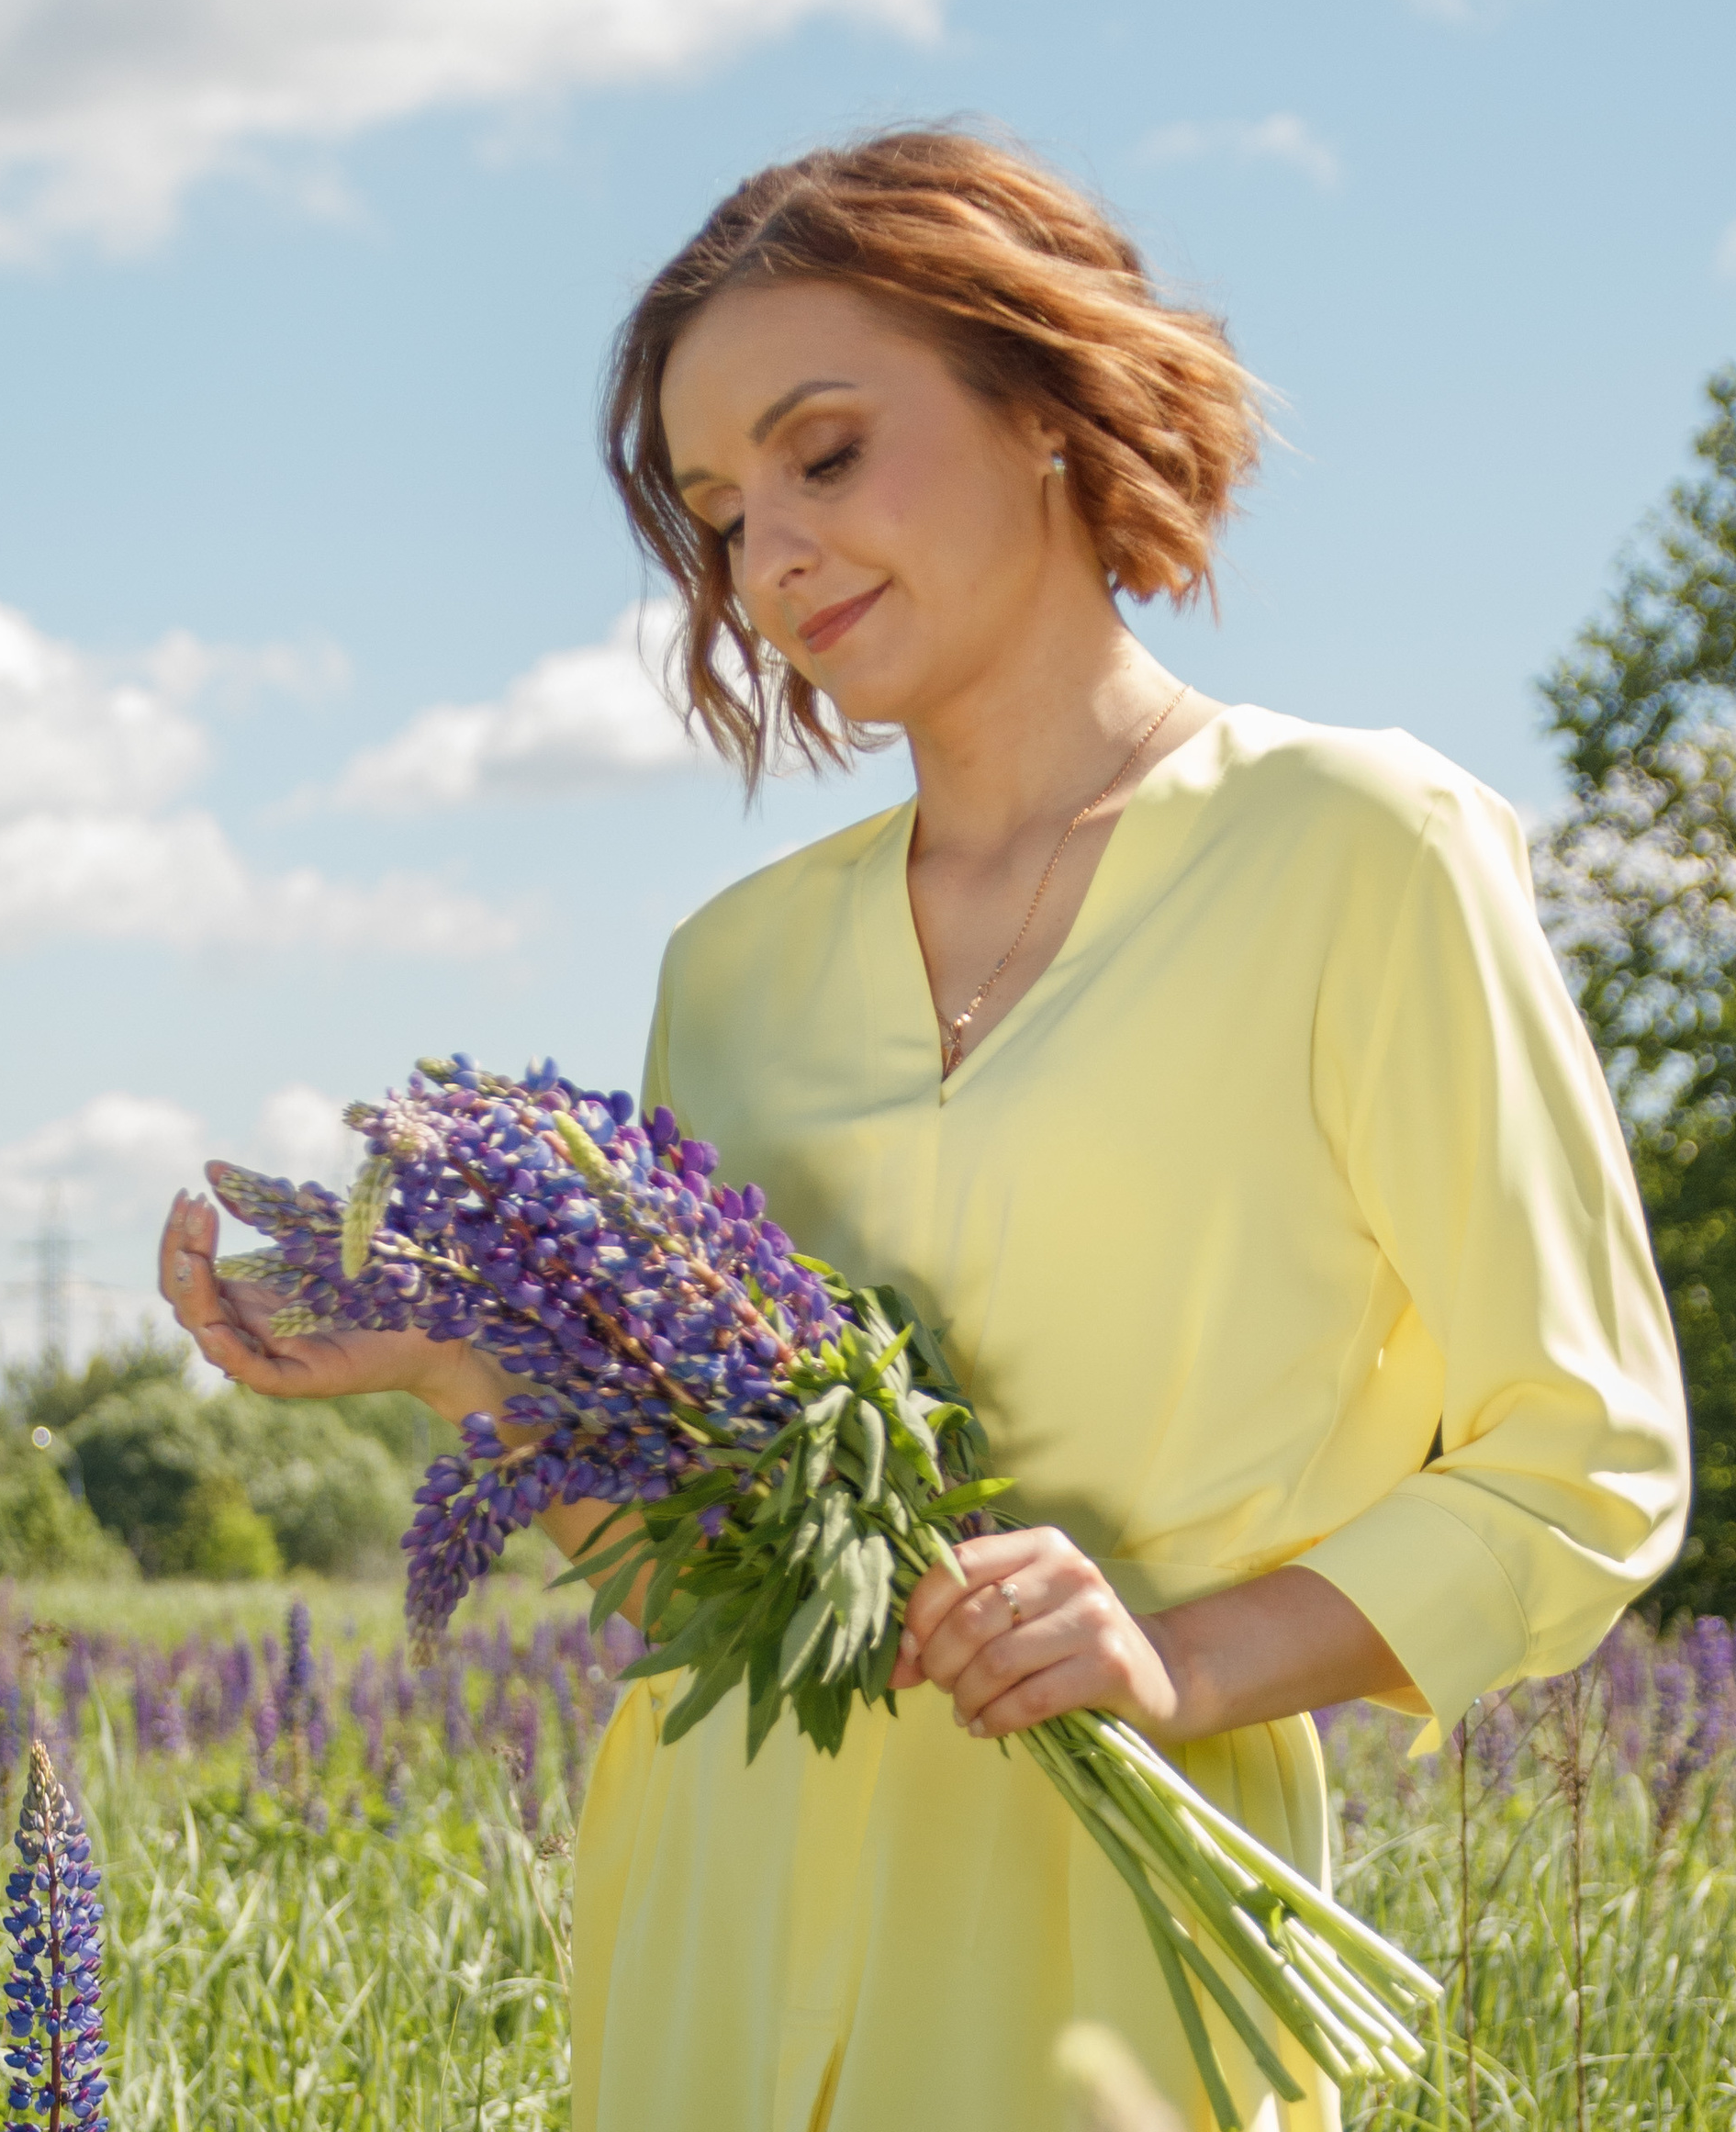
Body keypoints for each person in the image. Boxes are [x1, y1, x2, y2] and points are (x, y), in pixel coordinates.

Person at [159, 129, 1692, 2130]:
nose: (764, 555)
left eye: (819, 451)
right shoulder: (732, 968)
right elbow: (700, 1585)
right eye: (713, 512)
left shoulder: (1357, 851)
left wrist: (1176, 1652)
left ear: (1038, 401)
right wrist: (464, 1366)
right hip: (710, 1935)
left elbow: (1580, 1456)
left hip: (1098, 1963)